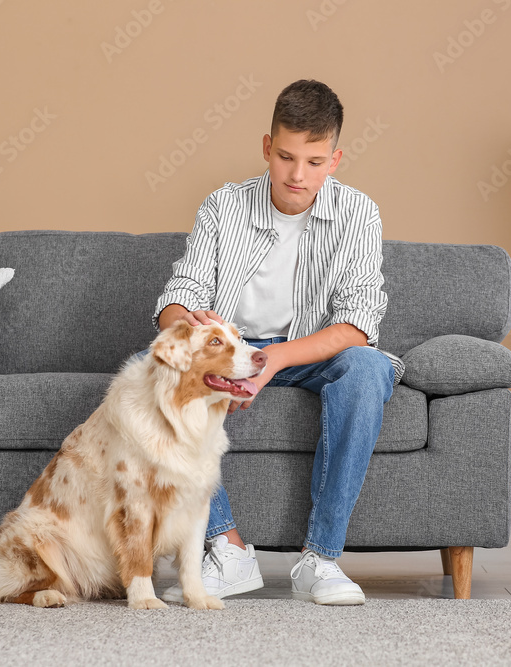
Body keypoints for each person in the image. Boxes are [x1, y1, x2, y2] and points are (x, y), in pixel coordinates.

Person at [153, 79, 403, 606]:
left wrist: (272, 362)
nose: (297, 175)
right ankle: (227, 548)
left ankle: (321, 559)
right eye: (286, 157)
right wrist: (195, 329)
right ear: (267, 147)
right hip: (232, 350)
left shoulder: (360, 214)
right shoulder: (224, 206)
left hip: (311, 353)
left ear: (335, 159)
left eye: (314, 162)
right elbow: (176, 298)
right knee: (149, 364)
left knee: (369, 367)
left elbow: (357, 324)